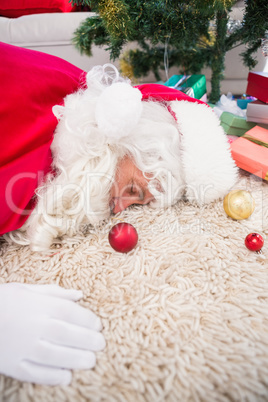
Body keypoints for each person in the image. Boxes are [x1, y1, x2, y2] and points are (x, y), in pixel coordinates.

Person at [0, 42, 238, 386]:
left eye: (137, 204)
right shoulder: (30, 104)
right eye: (132, 190)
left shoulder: (65, 148)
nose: (118, 210)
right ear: (119, 141)